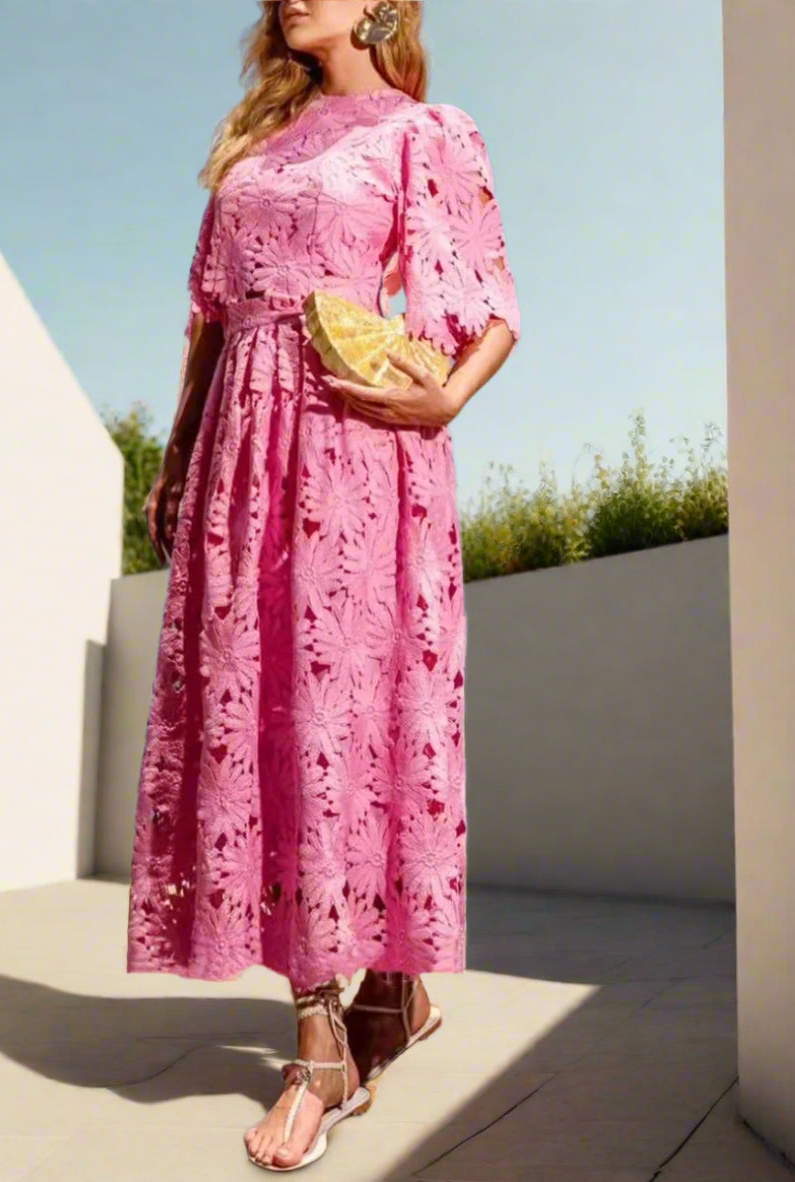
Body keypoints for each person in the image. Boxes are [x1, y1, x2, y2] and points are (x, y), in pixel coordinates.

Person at [126, 0, 521, 1170]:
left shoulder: (422, 130)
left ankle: (364, 1011)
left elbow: (494, 305)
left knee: (351, 719)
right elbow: (209, 320)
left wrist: (446, 396)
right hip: (241, 448)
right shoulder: (252, 146)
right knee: (260, 718)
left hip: (358, 448)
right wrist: (175, 455)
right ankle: (336, 1021)